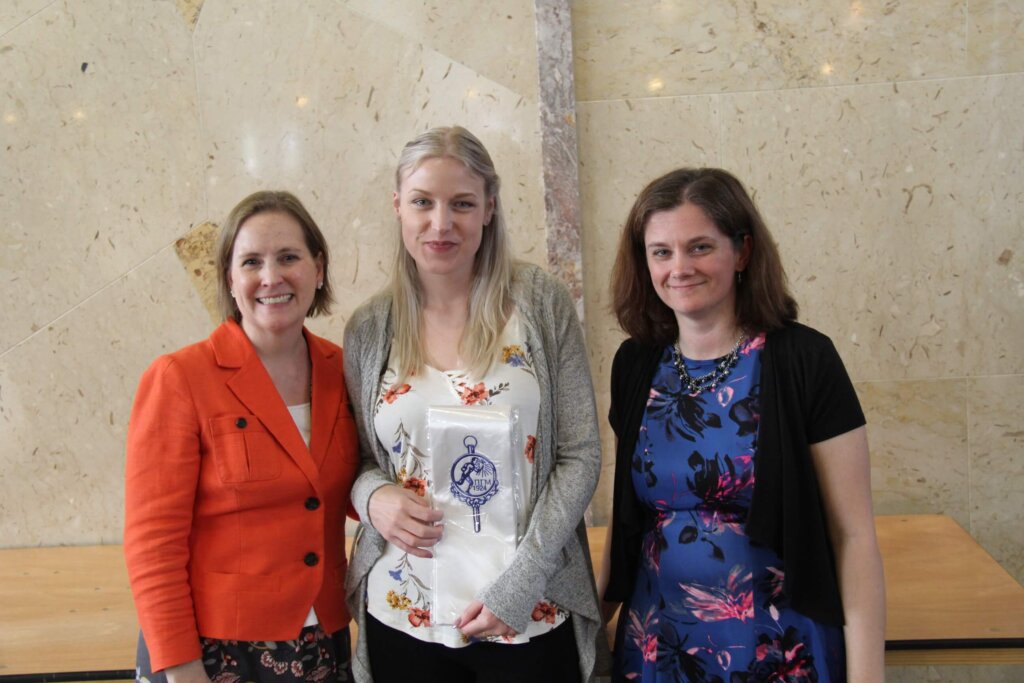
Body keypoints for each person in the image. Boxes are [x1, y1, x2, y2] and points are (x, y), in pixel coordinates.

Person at [600, 168, 885, 682]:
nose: (679, 267)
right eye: (661, 251)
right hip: (657, 649)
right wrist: (592, 637)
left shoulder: (804, 359)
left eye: (700, 247)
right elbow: (627, 524)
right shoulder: (635, 363)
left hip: (777, 646)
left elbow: (853, 535)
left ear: (743, 252)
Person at [343, 126, 603, 682]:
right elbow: (357, 461)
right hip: (404, 611)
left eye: (462, 203)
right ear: (397, 207)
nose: (441, 224)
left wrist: (522, 583)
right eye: (422, 202)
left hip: (529, 606)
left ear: (489, 207)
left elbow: (579, 454)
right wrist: (373, 499)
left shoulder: (539, 302)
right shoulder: (370, 327)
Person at [124, 191, 359, 683]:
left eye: (289, 257)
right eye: (251, 261)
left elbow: (355, 486)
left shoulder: (346, 370)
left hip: (323, 640)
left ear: (318, 268)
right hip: (212, 650)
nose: (271, 277)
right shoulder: (179, 377)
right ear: (230, 280)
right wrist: (182, 667)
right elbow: (152, 543)